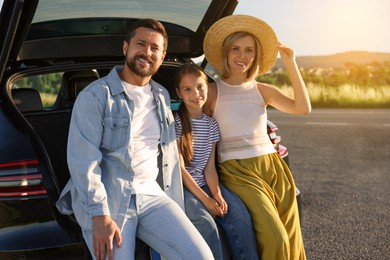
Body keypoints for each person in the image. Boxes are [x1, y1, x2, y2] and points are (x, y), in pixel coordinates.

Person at [56, 19, 213, 260]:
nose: (147, 52)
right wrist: (99, 216)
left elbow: (170, 154)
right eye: (141, 44)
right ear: (125, 47)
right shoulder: (95, 96)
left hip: (153, 196)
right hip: (111, 200)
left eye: (155, 48)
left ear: (162, 57)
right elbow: (83, 162)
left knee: (201, 256)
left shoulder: (161, 95)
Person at [203, 14, 311, 260]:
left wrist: (291, 62)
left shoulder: (263, 90)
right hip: (238, 172)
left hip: (274, 168)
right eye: (236, 49)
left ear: (256, 56)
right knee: (277, 240)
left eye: (249, 50)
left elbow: (303, 108)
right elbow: (199, 134)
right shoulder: (210, 92)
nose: (242, 56)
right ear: (226, 52)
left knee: (292, 239)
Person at [173, 63, 259, 260]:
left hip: (206, 184)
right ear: (179, 93)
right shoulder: (176, 122)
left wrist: (217, 194)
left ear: (207, 87)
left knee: (240, 217)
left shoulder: (211, 124)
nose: (196, 94)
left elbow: (209, 168)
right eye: (188, 89)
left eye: (200, 87)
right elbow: (180, 170)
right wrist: (206, 200)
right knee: (206, 224)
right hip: (184, 188)